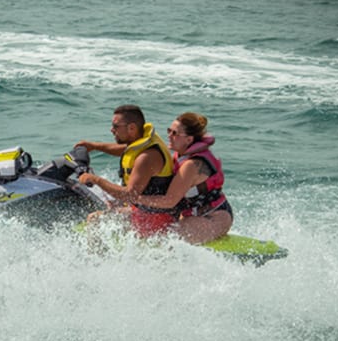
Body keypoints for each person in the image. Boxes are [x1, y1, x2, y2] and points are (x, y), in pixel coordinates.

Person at [79, 111, 233, 244]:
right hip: (183, 214)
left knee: (168, 240)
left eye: (175, 133)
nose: (169, 136)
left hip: (213, 216)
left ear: (189, 140)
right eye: (169, 130)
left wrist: (132, 198)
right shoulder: (177, 154)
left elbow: (169, 201)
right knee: (96, 220)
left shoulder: (192, 165)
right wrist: (94, 146)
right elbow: (131, 150)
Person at [75, 104, 177, 236]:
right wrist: (94, 146)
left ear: (132, 128)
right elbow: (126, 150)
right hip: (142, 210)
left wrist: (96, 180)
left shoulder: (147, 158)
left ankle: (98, 257)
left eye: (116, 126)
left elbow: (129, 195)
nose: (112, 130)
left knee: (95, 220)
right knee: (107, 205)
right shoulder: (143, 141)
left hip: (155, 219)